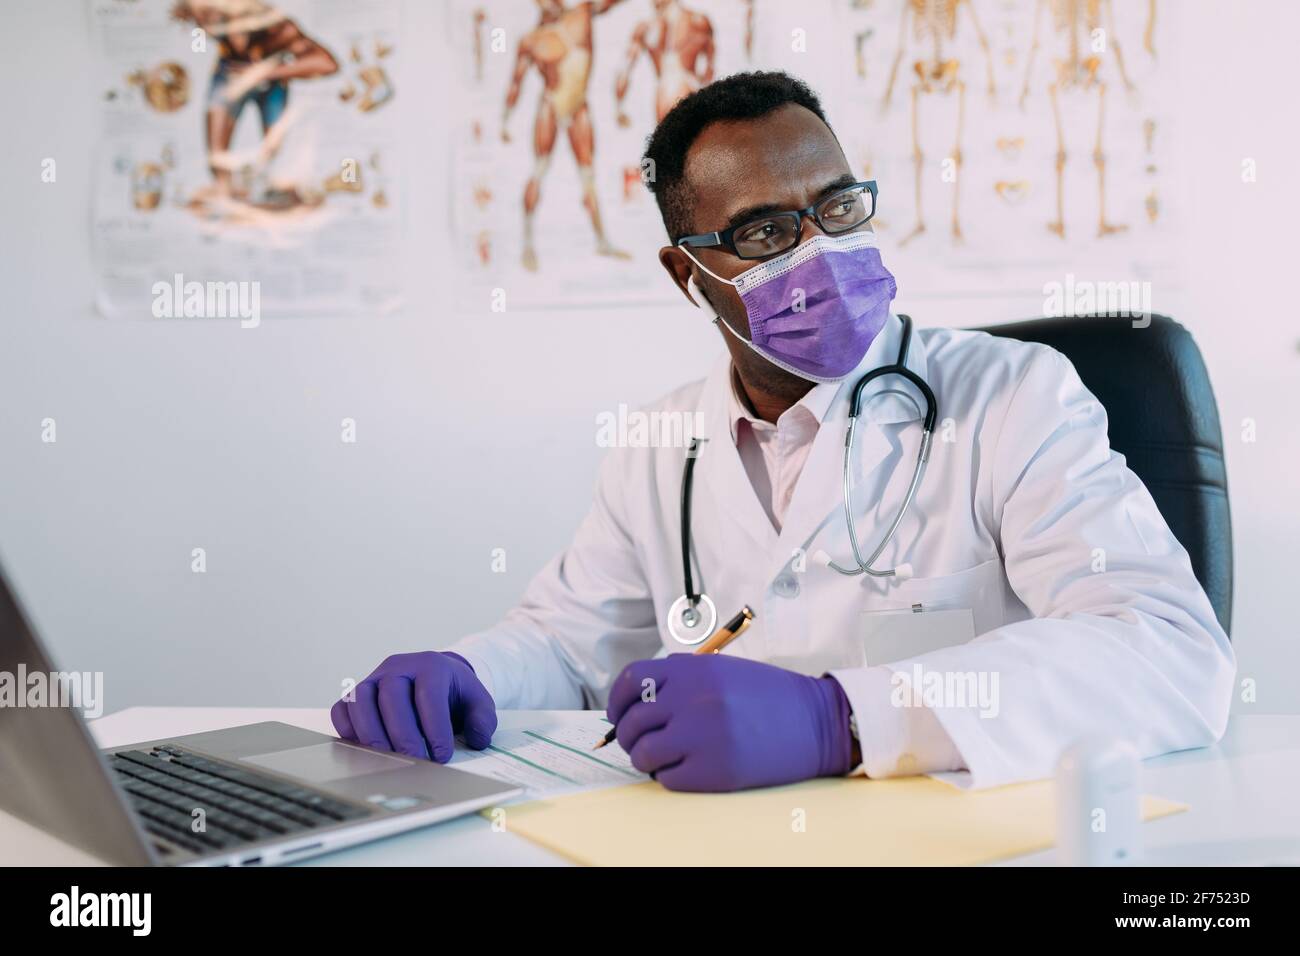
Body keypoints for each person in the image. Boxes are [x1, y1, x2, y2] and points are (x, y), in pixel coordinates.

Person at [332, 72, 1233, 792]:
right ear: (687, 275)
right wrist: (467, 673)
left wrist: (837, 721)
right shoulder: (659, 443)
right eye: (765, 232)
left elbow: (1166, 650)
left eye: (839, 210)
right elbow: (570, 647)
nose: (822, 253)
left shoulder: (1012, 396)